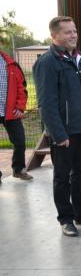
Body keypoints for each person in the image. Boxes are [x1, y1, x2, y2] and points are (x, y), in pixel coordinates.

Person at [33, 16, 81, 237]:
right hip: (64, 133)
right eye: (68, 32)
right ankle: (66, 219)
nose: (73, 35)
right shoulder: (47, 63)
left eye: (74, 31)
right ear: (54, 35)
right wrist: (58, 134)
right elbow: (46, 103)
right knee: (62, 177)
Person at [0, 50, 33, 184]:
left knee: (19, 141)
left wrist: (20, 108)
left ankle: (18, 170)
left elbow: (22, 88)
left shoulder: (11, 64)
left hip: (11, 112)